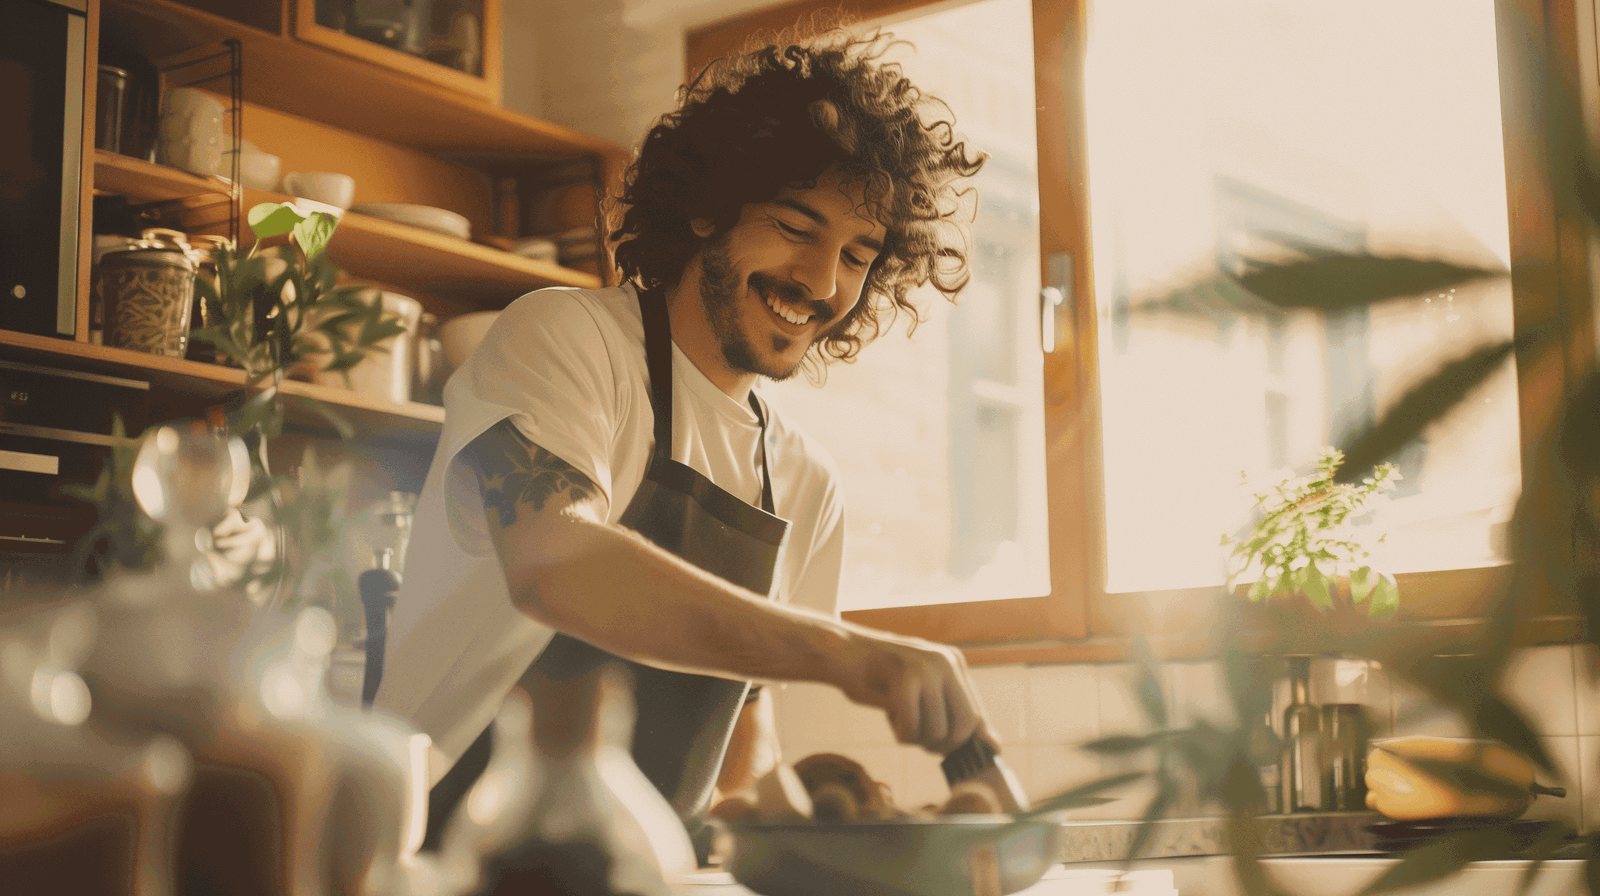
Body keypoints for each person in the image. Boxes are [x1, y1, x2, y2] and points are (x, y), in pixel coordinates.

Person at [375, 27, 995, 859]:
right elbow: (553, 563)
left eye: (856, 254)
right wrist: (849, 654)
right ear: (708, 205)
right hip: (440, 857)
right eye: (794, 225)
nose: (820, 282)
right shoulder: (564, 340)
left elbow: (743, 712)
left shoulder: (806, 484)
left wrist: (757, 828)